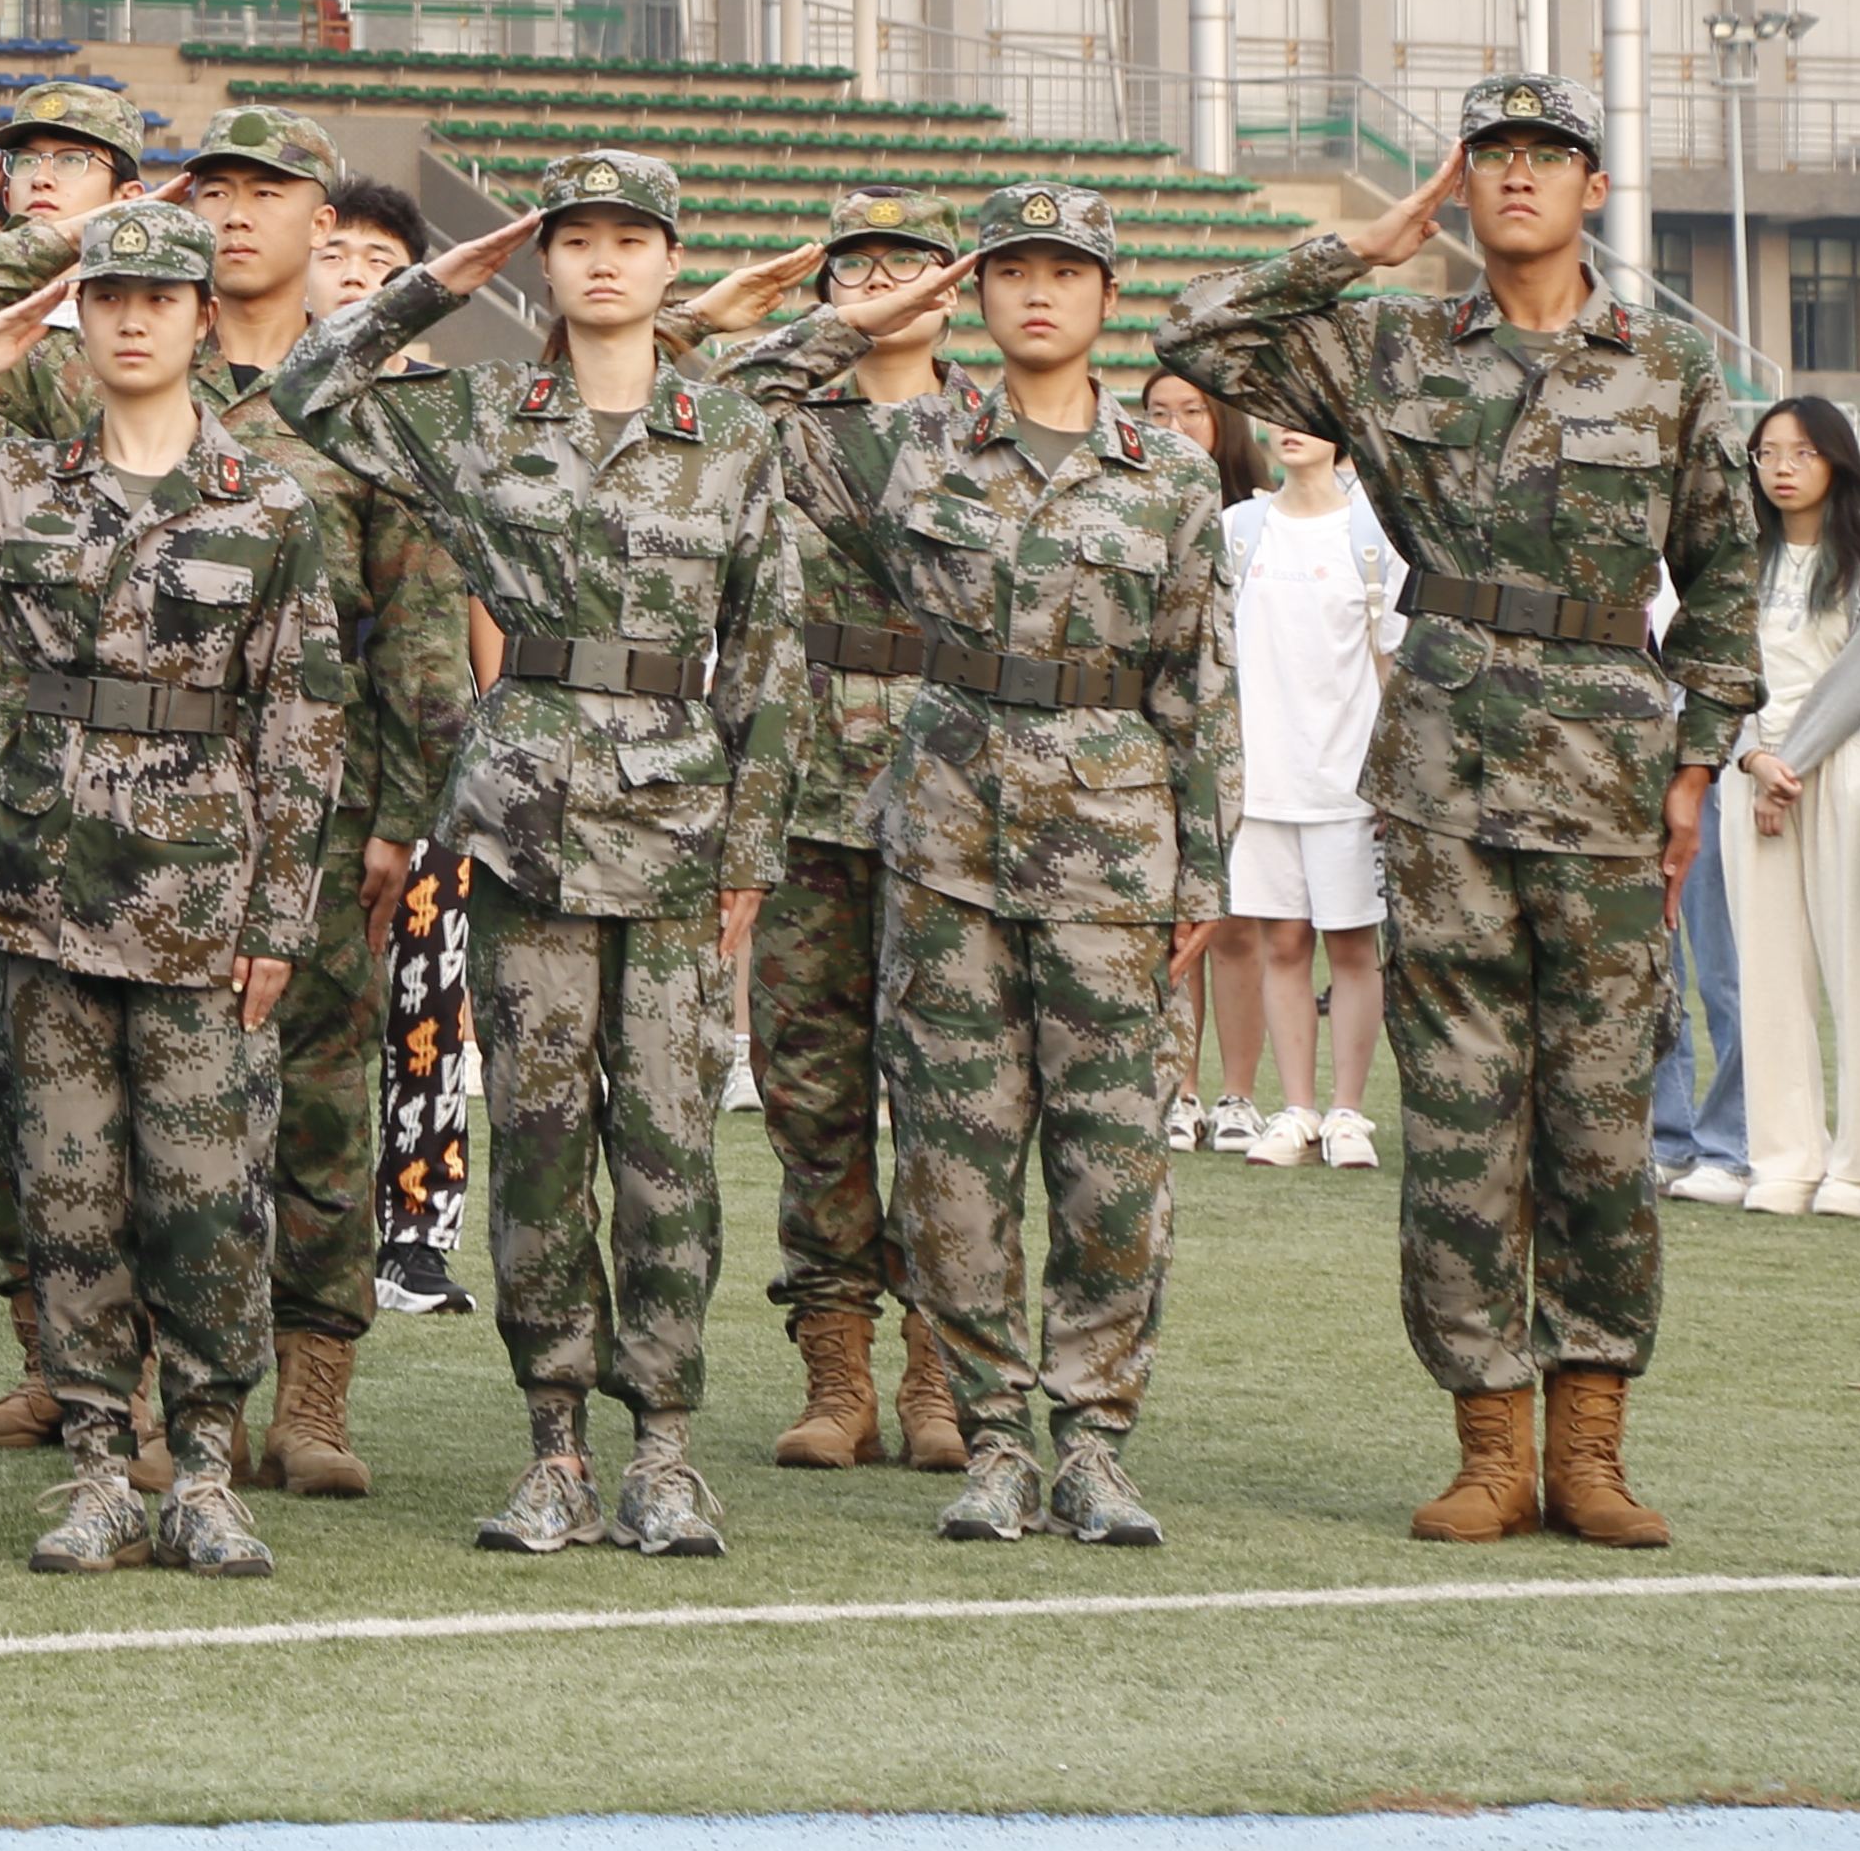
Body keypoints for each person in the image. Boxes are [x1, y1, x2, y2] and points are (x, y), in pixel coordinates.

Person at [1158, 77, 1758, 1547]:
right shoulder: (1394, 344)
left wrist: (1696, 765)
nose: (1517, 177)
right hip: (1441, 781)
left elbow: (1726, 581)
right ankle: (1490, 1441)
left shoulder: (1670, 365)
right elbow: (1197, 336)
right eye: (1491, 157)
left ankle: (1591, 1444)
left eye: (1548, 156)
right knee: (1461, 1121)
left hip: (1611, 781)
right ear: (1462, 185)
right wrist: (1360, 245)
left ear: (1594, 188)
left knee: (1601, 1123)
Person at [277, 149, 804, 1560]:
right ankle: (556, 1446)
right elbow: (305, 389)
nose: (604, 260)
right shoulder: (479, 416)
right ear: (543, 263)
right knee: (540, 1141)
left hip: (681, 826)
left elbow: (768, 650)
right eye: (576, 239)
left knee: (670, 1148)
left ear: (673, 262)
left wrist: (753, 843)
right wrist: (432, 286)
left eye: (632, 237)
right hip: (528, 825)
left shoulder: (732, 434)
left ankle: (668, 1448)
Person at [0, 196, 345, 1576]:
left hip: (203, 906)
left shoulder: (269, 504)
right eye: (105, 297)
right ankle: (103, 1464)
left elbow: (302, 722)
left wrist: (280, 918)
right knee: (69, 1197)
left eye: (157, 299)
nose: (129, 320)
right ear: (79, 316)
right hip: (44, 896)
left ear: (201, 320)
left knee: (209, 1200)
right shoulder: (13, 485)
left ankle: (206, 1466)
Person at [733, 187, 1227, 1548]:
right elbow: (723, 406)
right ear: (975, 293)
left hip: (1114, 849)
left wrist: (1204, 870)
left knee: (1113, 1163)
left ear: (1107, 295)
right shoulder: (908, 451)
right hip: (946, 839)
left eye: (1066, 271)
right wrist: (853, 324)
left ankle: (1097, 1441)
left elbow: (1199, 678)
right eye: (1012, 270)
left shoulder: (1171, 470)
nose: (1038, 293)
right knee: (956, 1160)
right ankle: (995, 1435)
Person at [672, 181, 967, 1478]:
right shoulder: (783, 416)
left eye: (906, 264)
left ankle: (942, 1374)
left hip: (963, 788)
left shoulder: (994, 423)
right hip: (805, 786)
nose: (879, 283)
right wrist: (817, 325)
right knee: (812, 1091)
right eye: (855, 266)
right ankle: (837, 1371)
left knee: (954, 1094)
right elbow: (680, 394)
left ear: (952, 284)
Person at [0, 73, 150, 1460]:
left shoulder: (133, 335)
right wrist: (17, 257)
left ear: (131, 189)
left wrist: (81, 271)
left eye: (75, 159)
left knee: (129, 1075)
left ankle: (140, 1365)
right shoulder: (0, 329)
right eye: (27, 159)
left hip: (117, 758)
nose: (43, 175)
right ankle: (46, 1352)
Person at [318, 175, 478, 1312]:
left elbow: (478, 598)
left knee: (429, 990)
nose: (356, 277)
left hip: (427, 740)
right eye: (338, 256)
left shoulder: (447, 413)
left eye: (384, 264)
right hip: (306, 742)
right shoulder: (268, 406)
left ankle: (417, 1227)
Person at [1716, 397, 1860, 1220]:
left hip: (1844, 768)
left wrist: (1787, 762)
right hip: (1750, 770)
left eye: (1802, 452)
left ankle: (1857, 1168)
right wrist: (1753, 757)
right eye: (1767, 454)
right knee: (1766, 971)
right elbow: (1714, 669)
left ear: (1837, 460)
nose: (1783, 468)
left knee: (1857, 968)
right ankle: (1785, 1159)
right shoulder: (1733, 559)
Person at [1212, 406, 1401, 1172]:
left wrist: (1389, 779)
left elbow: (1391, 662)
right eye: (1277, 414)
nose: (1289, 429)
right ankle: (1297, 1110)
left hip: (1347, 785)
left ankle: (1348, 1111)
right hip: (1260, 782)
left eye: (1308, 416)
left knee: (1353, 947)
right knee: (1282, 944)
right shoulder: (1239, 529)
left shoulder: (1373, 534)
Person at [1138, 363, 1268, 1150]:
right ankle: (1179, 1090)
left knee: (1241, 925)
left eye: (1192, 411)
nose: (1175, 427)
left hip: (1257, 735)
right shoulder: (1133, 505)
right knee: (1174, 925)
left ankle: (1239, 1095)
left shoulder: (1260, 516)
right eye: (1157, 412)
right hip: (1165, 739)